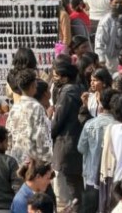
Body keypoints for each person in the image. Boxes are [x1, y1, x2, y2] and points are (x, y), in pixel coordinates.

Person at [78, 88, 118, 213]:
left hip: (91, 175)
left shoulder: (90, 124)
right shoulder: (119, 126)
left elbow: (81, 148)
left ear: (100, 102)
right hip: (111, 177)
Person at [51, 61, 85, 205]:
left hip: (67, 143)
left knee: (73, 188)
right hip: (75, 141)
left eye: (56, 76)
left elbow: (58, 119)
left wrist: (49, 135)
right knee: (76, 185)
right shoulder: (78, 88)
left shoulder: (67, 92)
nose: (54, 79)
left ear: (65, 78)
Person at [6, 69, 53, 167]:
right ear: (32, 85)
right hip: (32, 161)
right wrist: (47, 160)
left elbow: (8, 133)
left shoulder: (15, 107)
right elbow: (41, 135)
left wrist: (9, 154)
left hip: (16, 158)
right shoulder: (37, 107)